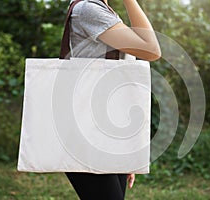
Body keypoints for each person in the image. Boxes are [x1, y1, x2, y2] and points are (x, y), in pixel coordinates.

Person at [65, 0, 161, 199]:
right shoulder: (88, 10)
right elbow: (151, 49)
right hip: (87, 132)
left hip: (107, 129)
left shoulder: (104, 11)